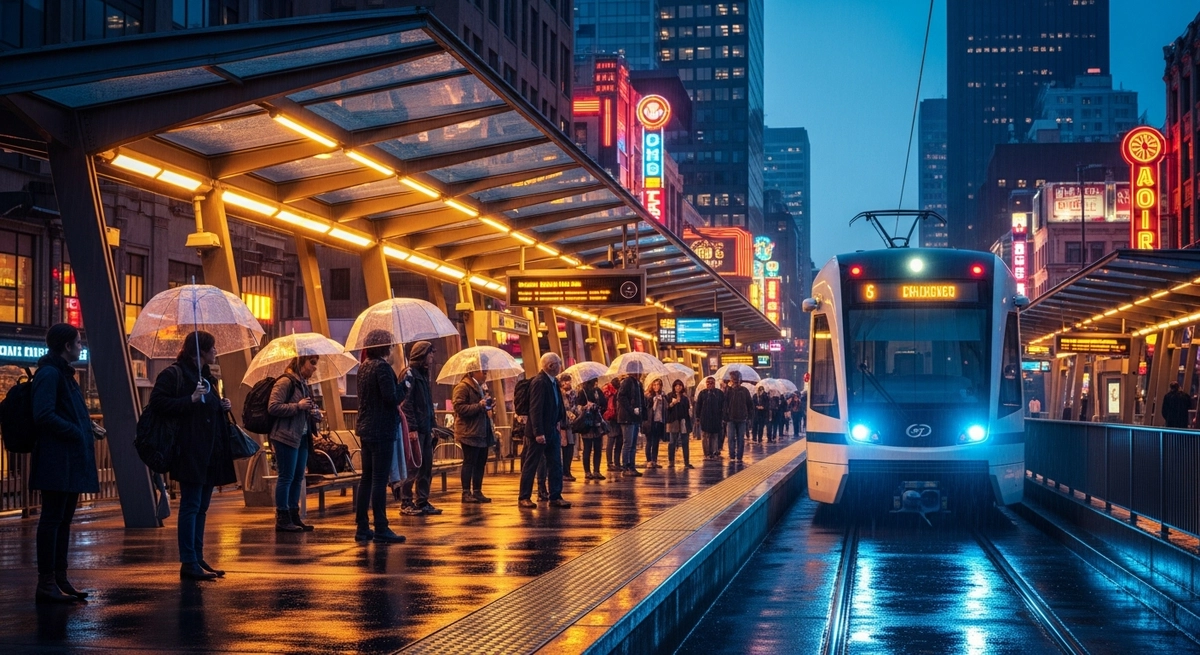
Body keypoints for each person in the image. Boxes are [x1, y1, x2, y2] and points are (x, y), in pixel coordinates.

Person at [151, 330, 237, 580]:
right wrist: (190, 399)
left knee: (202, 507)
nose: (215, 352)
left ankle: (197, 557)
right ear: (199, 351)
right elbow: (158, 403)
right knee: (190, 506)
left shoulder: (207, 377)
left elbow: (207, 410)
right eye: (212, 348)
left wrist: (221, 406)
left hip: (210, 451)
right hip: (189, 449)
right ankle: (188, 561)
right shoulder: (174, 374)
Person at [29, 323, 97, 602]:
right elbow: (43, 414)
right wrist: (75, 431)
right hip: (56, 460)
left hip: (66, 459)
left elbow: (66, 412)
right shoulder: (50, 374)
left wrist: (89, 428)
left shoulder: (65, 375)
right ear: (67, 346)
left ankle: (59, 578)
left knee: (63, 520)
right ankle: (47, 583)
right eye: (78, 343)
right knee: (52, 520)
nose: (81, 347)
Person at [354, 329, 406, 544]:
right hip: (381, 429)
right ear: (386, 347)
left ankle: (362, 526)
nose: (394, 350)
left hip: (366, 429)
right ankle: (381, 526)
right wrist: (406, 384)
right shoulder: (382, 368)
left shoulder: (364, 367)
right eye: (392, 346)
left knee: (367, 478)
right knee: (378, 479)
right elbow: (392, 398)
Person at [267, 355, 324, 533]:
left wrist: (313, 413)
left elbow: (304, 410)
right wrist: (297, 406)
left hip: (302, 436)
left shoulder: (304, 385)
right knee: (286, 477)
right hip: (285, 436)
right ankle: (282, 517)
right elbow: (273, 406)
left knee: (298, 477)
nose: (314, 368)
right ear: (300, 362)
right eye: (312, 363)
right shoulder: (285, 382)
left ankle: (293, 514)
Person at [518, 353, 571, 508]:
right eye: (559, 363)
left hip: (552, 430)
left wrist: (558, 421)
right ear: (551, 365)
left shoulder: (553, 382)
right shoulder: (540, 382)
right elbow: (535, 409)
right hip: (539, 433)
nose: (560, 366)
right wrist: (538, 432)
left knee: (556, 463)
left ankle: (555, 496)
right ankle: (524, 497)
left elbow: (556, 404)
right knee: (531, 464)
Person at [400, 341, 441, 516]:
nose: (432, 357)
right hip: (416, 429)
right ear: (422, 354)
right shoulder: (409, 374)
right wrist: (412, 428)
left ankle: (422, 500)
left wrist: (433, 426)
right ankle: (406, 501)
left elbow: (427, 405)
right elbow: (406, 404)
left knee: (426, 466)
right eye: (430, 353)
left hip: (425, 428)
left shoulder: (424, 375)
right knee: (413, 465)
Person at [453, 368, 495, 504]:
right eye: (483, 372)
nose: (485, 374)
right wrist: (479, 405)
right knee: (469, 462)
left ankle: (477, 491)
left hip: (481, 431)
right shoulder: (463, 387)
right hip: (469, 432)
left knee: (480, 462)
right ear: (473, 372)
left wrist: (488, 405)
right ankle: (466, 492)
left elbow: (481, 408)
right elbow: (459, 408)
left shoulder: (480, 387)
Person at [616, 365, 646, 476]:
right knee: (628, 443)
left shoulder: (638, 384)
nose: (641, 372)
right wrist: (631, 408)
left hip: (635, 417)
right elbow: (621, 396)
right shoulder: (627, 382)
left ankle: (632, 467)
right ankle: (625, 467)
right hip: (627, 418)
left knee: (633, 444)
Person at [575, 377, 606, 479]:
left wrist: (598, 407)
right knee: (588, 448)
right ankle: (589, 471)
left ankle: (594, 471)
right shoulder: (582, 392)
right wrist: (586, 407)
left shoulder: (598, 391)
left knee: (596, 447)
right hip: (588, 422)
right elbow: (578, 408)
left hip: (595, 421)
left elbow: (603, 404)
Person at [724, 371, 754, 463]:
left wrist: (749, 417)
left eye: (736, 379)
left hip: (742, 418)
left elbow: (749, 404)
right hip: (731, 418)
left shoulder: (744, 391)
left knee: (741, 438)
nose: (734, 381)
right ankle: (732, 455)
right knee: (731, 438)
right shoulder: (728, 391)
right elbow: (725, 404)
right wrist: (725, 416)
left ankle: (739, 456)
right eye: (733, 379)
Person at [665, 379, 693, 468]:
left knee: (685, 441)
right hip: (673, 421)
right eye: (676, 386)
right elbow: (666, 408)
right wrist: (673, 403)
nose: (678, 387)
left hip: (683, 421)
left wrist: (682, 401)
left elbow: (687, 410)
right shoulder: (669, 396)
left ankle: (686, 462)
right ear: (674, 387)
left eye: (680, 385)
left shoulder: (685, 398)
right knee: (672, 441)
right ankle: (671, 462)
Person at [695, 376, 725, 460]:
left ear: (714, 384)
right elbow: (698, 406)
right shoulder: (702, 393)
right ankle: (706, 453)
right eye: (708, 383)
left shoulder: (719, 393)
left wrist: (723, 417)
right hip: (705, 418)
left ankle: (713, 451)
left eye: (711, 383)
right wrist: (697, 417)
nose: (710, 385)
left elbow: (723, 406)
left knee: (714, 435)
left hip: (716, 418)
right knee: (705, 436)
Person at [643, 377, 667, 469]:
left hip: (659, 420)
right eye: (654, 384)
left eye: (658, 385)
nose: (656, 386)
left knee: (656, 442)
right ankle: (649, 461)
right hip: (650, 422)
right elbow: (649, 409)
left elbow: (665, 409)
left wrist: (663, 401)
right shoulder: (648, 396)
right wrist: (655, 402)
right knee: (649, 441)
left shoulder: (663, 395)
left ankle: (654, 460)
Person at [559, 374, 578, 481]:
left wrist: (575, 410)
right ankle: (563, 472)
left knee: (570, 447)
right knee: (563, 447)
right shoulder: (559, 393)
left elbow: (576, 405)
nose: (567, 383)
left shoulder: (574, 393)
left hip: (571, 423)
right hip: (562, 424)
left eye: (568, 381)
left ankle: (567, 470)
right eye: (565, 381)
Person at [602, 376, 622, 472]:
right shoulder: (615, 393)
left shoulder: (608, 392)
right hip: (615, 418)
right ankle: (614, 463)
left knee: (612, 440)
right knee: (615, 440)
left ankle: (612, 463)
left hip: (610, 417)